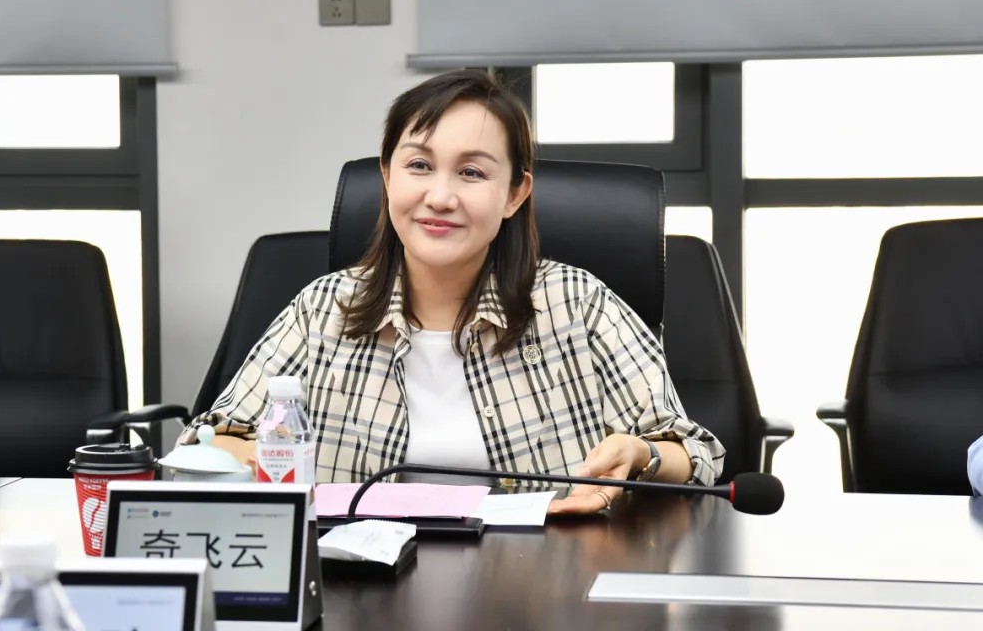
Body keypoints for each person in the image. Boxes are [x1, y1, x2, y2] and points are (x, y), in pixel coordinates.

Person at [178, 69, 725, 514]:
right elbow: (206, 439)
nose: (440, 197)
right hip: (358, 585)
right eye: (418, 165)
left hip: (546, 582)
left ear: (515, 194)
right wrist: (250, 453)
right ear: (387, 177)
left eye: (472, 173)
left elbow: (696, 453)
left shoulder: (578, 304)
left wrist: (641, 453)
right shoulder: (324, 308)